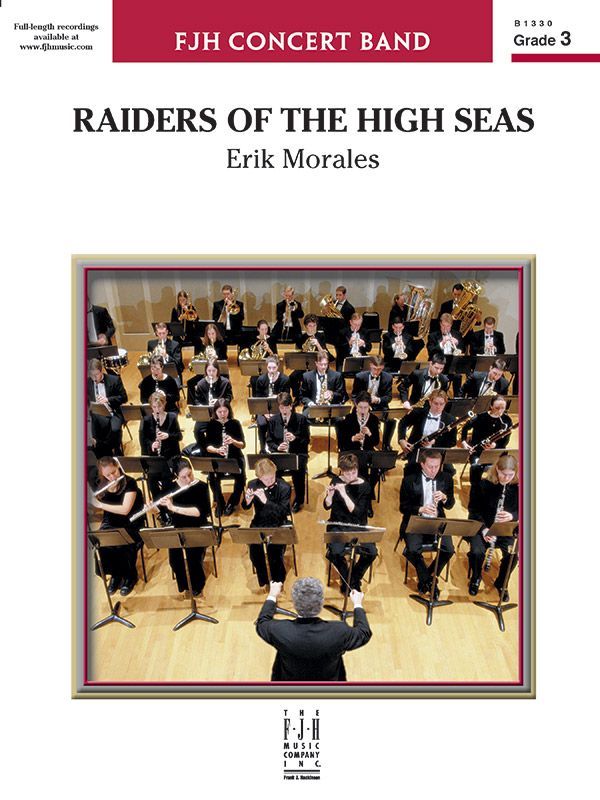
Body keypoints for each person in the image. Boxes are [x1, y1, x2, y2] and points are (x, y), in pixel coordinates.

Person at [255, 577, 372, 681]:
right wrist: (357, 604)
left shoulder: (280, 630)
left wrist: (272, 595)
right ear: (321, 604)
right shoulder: (339, 631)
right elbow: (364, 633)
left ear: (295, 604)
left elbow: (261, 622)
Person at [399, 449, 455, 597]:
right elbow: (403, 507)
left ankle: (427, 577)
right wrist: (421, 509)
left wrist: (445, 498)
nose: (434, 470)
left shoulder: (446, 478)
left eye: (437, 466)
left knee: (449, 550)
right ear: (422, 464)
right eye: (430, 466)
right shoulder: (409, 480)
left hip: (437, 521)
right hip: (415, 520)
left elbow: (450, 505)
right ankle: (430, 582)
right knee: (413, 549)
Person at [88, 456, 145, 596]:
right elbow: (105, 510)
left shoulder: (130, 483)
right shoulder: (103, 484)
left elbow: (125, 510)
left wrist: (99, 504)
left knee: (122, 543)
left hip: (130, 522)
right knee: (103, 542)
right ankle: (115, 575)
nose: (112, 477)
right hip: (111, 521)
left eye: (114, 472)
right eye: (108, 475)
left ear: (118, 467)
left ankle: (129, 576)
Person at [467, 453, 519, 600]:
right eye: (503, 474)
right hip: (482, 527)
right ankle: (476, 577)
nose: (506, 478)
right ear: (497, 469)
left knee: (513, 555)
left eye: (510, 475)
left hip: (505, 530)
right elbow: (473, 511)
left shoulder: (519, 488)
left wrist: (513, 516)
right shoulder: (483, 485)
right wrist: (484, 529)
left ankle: (502, 582)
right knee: (477, 552)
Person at [157, 458, 212, 597]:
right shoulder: (169, 488)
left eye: (190, 474)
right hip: (177, 526)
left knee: (193, 558)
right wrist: (152, 508)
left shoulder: (201, 487)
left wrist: (173, 507)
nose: (188, 479)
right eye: (184, 477)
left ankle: (198, 584)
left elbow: (199, 512)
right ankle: (184, 585)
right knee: (174, 560)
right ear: (176, 476)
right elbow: (162, 511)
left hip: (197, 526)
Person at [324, 452, 376, 592]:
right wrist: (329, 496)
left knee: (372, 552)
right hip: (337, 525)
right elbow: (327, 506)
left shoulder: (365, 486)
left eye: (354, 472)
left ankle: (353, 578)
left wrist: (344, 494)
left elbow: (358, 513)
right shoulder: (336, 481)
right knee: (335, 552)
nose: (351, 476)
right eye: (347, 474)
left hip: (358, 526)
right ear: (341, 471)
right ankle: (348, 580)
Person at [241, 458, 292, 587]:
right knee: (254, 552)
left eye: (272, 478)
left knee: (274, 552)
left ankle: (278, 579)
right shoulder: (252, 484)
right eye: (266, 479)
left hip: (278, 523)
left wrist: (266, 501)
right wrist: (247, 501)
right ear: (259, 477)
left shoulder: (284, 487)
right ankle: (263, 579)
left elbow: (283, 512)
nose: (270, 482)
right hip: (259, 521)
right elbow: (245, 507)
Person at [265, 392, 310, 512]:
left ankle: (299, 500)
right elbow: (269, 441)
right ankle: (280, 497)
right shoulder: (273, 420)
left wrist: (295, 438)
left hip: (298, 452)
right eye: (281, 407)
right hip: (280, 454)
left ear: (291, 406)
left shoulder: (301, 419)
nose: (284, 410)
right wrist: (278, 447)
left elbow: (306, 440)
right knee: (273, 471)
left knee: (298, 471)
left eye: (286, 407)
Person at [201, 398, 246, 516]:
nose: (222, 414)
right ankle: (219, 501)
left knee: (241, 478)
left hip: (234, 458)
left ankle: (232, 502)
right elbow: (207, 446)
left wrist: (233, 441)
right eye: (219, 412)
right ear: (215, 412)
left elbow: (242, 445)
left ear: (229, 411)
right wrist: (217, 450)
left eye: (225, 411)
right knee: (212, 478)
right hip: (218, 458)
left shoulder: (235, 423)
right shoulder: (211, 424)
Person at [139, 391, 182, 503]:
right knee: (151, 480)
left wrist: (168, 436)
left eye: (159, 406)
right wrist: (152, 444)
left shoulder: (172, 417)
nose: (157, 409)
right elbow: (144, 440)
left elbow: (179, 436)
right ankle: (160, 506)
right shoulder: (146, 420)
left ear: (164, 404)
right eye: (154, 407)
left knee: (166, 478)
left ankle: (167, 504)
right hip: (154, 457)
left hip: (170, 456)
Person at [398, 389, 457, 462]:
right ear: (430, 402)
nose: (438, 407)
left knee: (449, 469)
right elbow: (402, 423)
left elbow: (452, 442)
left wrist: (434, 442)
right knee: (412, 468)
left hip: (438, 453)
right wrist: (401, 439)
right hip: (417, 451)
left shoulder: (450, 419)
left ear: (445, 403)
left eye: (442, 404)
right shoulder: (418, 413)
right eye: (436, 403)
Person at [351, 356, 395, 448]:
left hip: (379, 406)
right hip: (363, 406)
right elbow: (354, 395)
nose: (376, 372)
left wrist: (378, 400)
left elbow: (388, 397)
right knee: (352, 417)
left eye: (379, 369)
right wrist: (362, 404)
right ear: (370, 365)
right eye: (374, 369)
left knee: (391, 421)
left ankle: (386, 445)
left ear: (383, 367)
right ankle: (354, 442)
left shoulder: (388, 377)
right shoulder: (360, 376)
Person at [87, 358, 127, 456]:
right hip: (96, 415)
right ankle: (101, 454)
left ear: (101, 371)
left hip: (113, 412)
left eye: (96, 375)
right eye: (92, 375)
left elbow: (124, 398)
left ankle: (116, 450)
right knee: (92, 431)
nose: (94, 378)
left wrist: (108, 399)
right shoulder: (87, 382)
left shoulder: (114, 380)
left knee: (115, 429)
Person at [254, 355, 291, 450]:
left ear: (278, 366)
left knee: (281, 421)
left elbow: (287, 399)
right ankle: (263, 448)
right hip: (264, 410)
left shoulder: (285, 379)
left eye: (274, 368)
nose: (271, 370)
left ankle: (279, 446)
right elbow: (258, 400)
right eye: (269, 368)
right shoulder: (261, 380)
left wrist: (277, 398)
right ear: (266, 367)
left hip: (280, 409)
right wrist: (265, 413)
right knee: (262, 423)